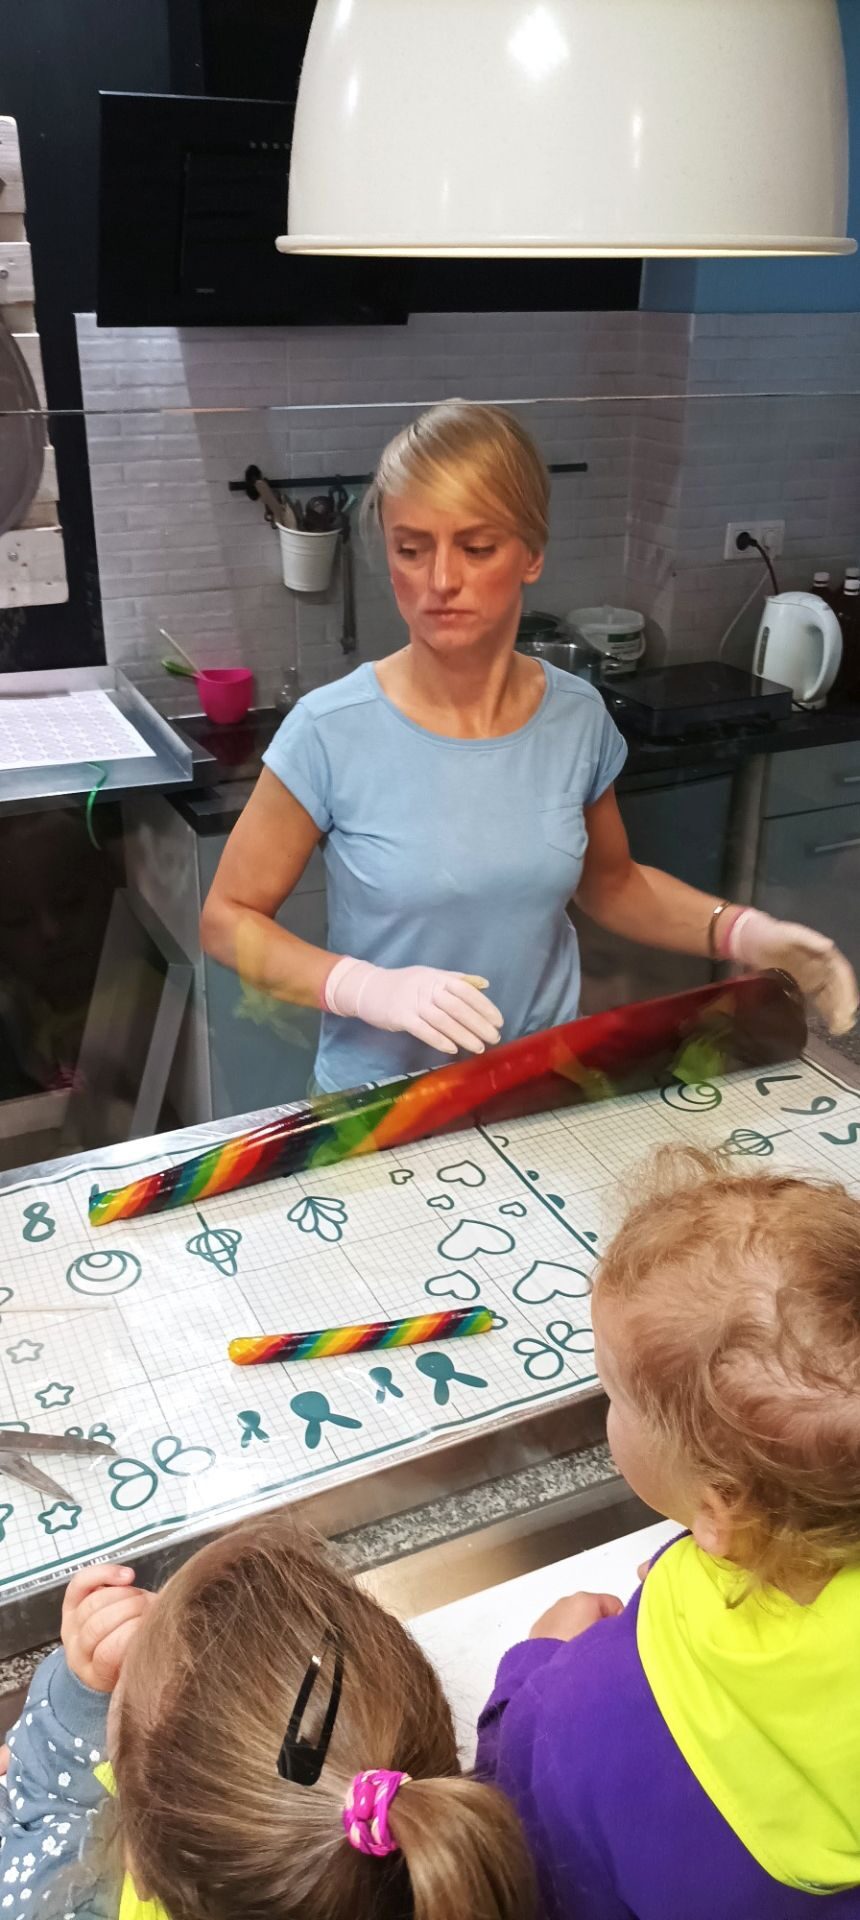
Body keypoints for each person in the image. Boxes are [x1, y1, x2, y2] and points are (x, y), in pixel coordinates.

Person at [201, 402, 858, 1094]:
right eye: (411, 549)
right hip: (383, 1104)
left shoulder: (576, 717)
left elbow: (612, 884)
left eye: (477, 547)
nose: (440, 580)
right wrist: (361, 987)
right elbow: (226, 919)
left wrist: (745, 932)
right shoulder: (329, 730)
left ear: (532, 553)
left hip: (539, 1084)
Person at [475, 1148, 860, 1919]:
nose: (608, 1412)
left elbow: (506, 1825)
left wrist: (534, 1672)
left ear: (720, 1511)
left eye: (613, 1395)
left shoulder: (583, 1713)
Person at [0, 1515, 533, 1920]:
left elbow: (46, 1820)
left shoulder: (62, 1901)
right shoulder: (452, 1878)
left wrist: (78, 1697)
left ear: (134, 1862)